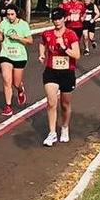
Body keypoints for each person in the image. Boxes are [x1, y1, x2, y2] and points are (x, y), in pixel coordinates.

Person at [39, 8, 81, 147]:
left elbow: (76, 55)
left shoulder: (71, 35)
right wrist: (42, 54)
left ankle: (64, 127)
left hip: (67, 72)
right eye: (54, 19)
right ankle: (52, 133)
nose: (57, 21)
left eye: (59, 18)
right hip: (51, 71)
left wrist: (64, 48)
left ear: (64, 19)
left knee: (65, 104)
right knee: (51, 102)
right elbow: (42, 42)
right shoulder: (48, 34)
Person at [0, 4, 33, 116]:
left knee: (16, 83)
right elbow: (0, 36)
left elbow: (30, 41)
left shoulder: (23, 25)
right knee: (7, 81)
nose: (10, 17)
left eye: (12, 14)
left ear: (17, 14)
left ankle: (20, 90)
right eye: (8, 14)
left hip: (19, 56)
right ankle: (8, 106)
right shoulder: (3, 23)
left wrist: (18, 38)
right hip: (6, 55)